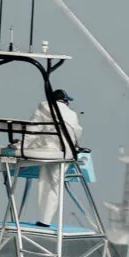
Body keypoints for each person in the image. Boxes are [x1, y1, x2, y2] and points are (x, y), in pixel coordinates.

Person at [26, 89, 83, 227]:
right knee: (54, 184)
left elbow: (32, 131)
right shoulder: (72, 114)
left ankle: (44, 219)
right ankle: (46, 219)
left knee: (45, 181)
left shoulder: (42, 108)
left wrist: (20, 145)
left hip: (45, 151)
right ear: (65, 101)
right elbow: (77, 134)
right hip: (64, 153)